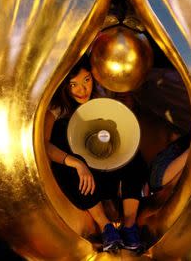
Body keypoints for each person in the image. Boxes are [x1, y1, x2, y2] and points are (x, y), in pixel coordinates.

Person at [44, 56, 147, 252]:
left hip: (106, 168)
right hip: (83, 181)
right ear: (64, 86)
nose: (82, 90)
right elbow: (45, 146)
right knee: (67, 148)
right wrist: (76, 163)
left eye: (87, 80)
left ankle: (129, 225)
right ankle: (105, 227)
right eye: (73, 84)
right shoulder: (58, 108)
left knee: (134, 157)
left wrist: (127, 104)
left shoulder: (102, 96)